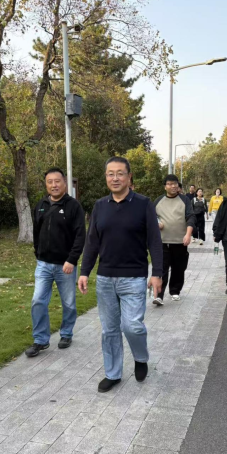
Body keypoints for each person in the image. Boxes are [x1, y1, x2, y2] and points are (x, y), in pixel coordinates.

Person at [78, 157, 162, 393]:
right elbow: (92, 242)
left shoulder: (143, 204)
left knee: (132, 326)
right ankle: (113, 373)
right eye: (110, 174)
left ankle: (140, 357)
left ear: (129, 176)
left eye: (120, 173)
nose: (115, 178)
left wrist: (157, 273)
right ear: (106, 177)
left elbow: (154, 241)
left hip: (134, 277)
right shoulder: (100, 206)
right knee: (110, 330)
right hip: (105, 278)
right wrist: (84, 272)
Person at [25, 168, 86, 357]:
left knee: (68, 303)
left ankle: (66, 334)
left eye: (57, 181)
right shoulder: (41, 205)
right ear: (46, 185)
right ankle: (40, 340)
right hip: (43, 264)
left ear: (64, 183)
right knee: (38, 301)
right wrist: (38, 252)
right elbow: (36, 232)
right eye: (50, 182)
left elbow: (80, 236)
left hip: (65, 265)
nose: (54, 185)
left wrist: (72, 259)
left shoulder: (73, 206)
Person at [153, 174, 196, 304]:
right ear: (165, 186)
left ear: (178, 185)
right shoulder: (158, 201)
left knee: (179, 268)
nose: (173, 186)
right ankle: (159, 295)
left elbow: (191, 217)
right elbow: (151, 216)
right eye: (170, 184)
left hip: (180, 241)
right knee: (162, 269)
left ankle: (175, 291)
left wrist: (188, 234)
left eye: (175, 184)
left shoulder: (184, 200)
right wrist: (157, 223)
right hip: (163, 241)